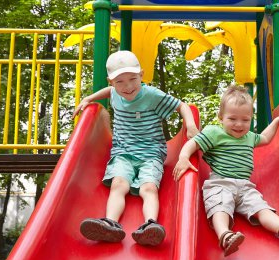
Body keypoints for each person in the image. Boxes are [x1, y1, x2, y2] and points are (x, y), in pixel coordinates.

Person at [74, 50, 199, 246]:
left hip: (151, 153)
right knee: (118, 184)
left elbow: (181, 106)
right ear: (111, 82)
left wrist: (190, 125)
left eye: (133, 79)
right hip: (123, 151)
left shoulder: (151, 95)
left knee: (148, 188)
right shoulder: (115, 92)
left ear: (141, 74)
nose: (128, 86)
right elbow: (108, 92)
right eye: (120, 82)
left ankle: (150, 226)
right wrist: (89, 98)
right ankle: (110, 223)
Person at [173, 85, 279, 256]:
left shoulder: (249, 137)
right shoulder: (214, 132)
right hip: (220, 183)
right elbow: (193, 143)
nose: (239, 124)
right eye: (232, 119)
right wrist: (184, 157)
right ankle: (225, 235)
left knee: (261, 208)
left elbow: (266, 138)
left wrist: (275, 122)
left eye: (245, 120)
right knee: (220, 206)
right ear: (221, 118)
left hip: (246, 187)